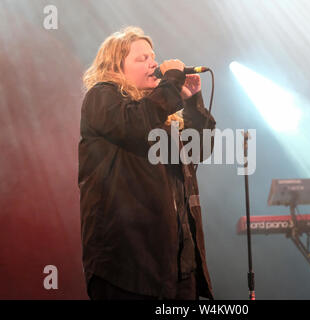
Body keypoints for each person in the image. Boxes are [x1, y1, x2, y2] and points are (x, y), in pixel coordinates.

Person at [78, 26, 216, 300]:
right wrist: (172, 81)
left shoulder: (159, 117)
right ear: (116, 67)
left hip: (175, 267)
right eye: (142, 58)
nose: (154, 63)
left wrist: (190, 104)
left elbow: (198, 150)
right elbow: (134, 123)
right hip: (127, 269)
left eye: (153, 56)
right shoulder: (101, 98)